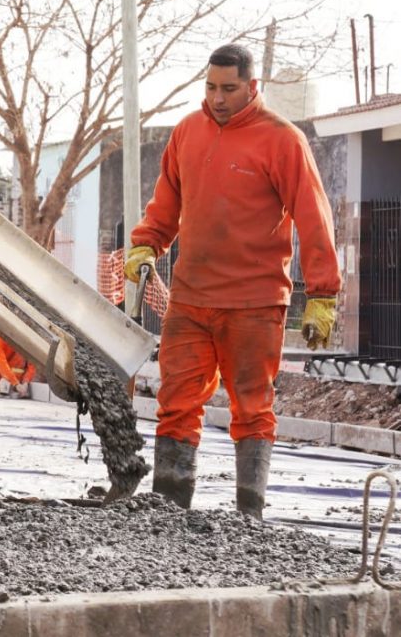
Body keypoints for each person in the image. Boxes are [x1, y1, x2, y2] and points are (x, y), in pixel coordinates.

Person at [123, 44, 341, 520]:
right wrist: (146, 244)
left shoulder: (282, 140)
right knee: (176, 403)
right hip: (190, 299)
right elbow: (166, 205)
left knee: (252, 409)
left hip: (255, 302)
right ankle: (168, 511)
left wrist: (323, 295)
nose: (217, 98)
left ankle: (249, 518)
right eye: (210, 87)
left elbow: (314, 217)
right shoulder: (187, 133)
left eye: (229, 88)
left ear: (252, 86)